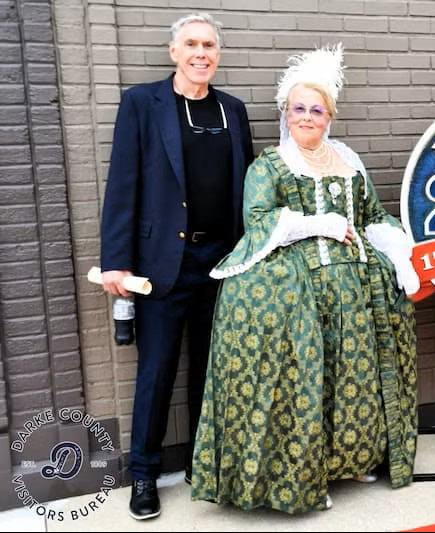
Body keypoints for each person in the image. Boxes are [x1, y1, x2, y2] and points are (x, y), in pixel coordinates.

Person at [190, 44, 420, 514]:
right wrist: (319, 224)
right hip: (298, 293)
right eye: (299, 109)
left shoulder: (347, 161)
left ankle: (351, 461)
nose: (307, 117)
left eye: (317, 110)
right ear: (286, 113)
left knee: (352, 377)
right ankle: (309, 475)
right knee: (309, 383)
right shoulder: (270, 165)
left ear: (329, 116)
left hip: (356, 292)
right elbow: (258, 221)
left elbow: (372, 215)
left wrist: (401, 256)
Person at [100, 13, 254, 520]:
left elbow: (246, 189)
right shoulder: (141, 103)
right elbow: (122, 184)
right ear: (173, 52)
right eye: (191, 44)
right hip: (161, 265)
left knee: (210, 369)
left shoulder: (232, 110)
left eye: (208, 45)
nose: (200, 53)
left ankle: (199, 464)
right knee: (157, 371)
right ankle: (143, 474)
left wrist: (250, 253)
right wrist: (116, 262)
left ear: (218, 54)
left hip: (221, 261)